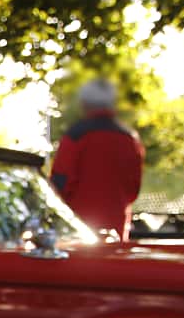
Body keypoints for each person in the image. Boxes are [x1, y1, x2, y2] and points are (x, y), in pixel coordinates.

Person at [49, 78, 143, 238]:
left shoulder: (76, 136)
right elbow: (133, 189)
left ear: (84, 103)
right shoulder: (130, 139)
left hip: (78, 229)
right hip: (116, 229)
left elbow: (60, 183)